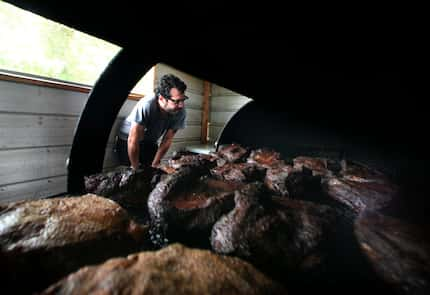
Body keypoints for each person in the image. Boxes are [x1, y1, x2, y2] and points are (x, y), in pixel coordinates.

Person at [116, 74, 188, 170]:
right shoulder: (147, 105)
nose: (181, 105)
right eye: (177, 101)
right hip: (127, 139)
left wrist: (155, 163)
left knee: (151, 170)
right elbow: (133, 139)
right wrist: (135, 167)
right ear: (161, 98)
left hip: (149, 141)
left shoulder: (180, 111)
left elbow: (167, 139)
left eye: (183, 100)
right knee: (131, 173)